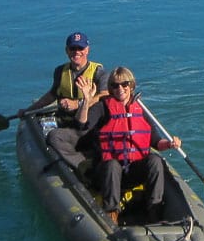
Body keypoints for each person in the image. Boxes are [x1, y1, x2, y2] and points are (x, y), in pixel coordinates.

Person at [73, 66, 180, 226]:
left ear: (131, 86)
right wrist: (86, 101)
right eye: (115, 85)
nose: (120, 89)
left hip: (132, 172)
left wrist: (170, 144)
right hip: (107, 174)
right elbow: (81, 125)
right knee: (112, 165)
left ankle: (154, 210)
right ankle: (111, 213)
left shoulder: (140, 109)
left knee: (155, 160)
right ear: (110, 88)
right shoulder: (103, 107)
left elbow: (157, 142)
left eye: (124, 84)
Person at [21, 31, 107, 173]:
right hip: (68, 127)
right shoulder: (60, 71)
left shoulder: (99, 72)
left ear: (87, 50)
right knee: (53, 137)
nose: (76, 52)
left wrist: (77, 104)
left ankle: (85, 165)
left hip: (89, 127)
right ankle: (81, 163)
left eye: (80, 48)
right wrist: (29, 110)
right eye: (73, 48)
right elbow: (52, 94)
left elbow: (104, 95)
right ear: (67, 50)